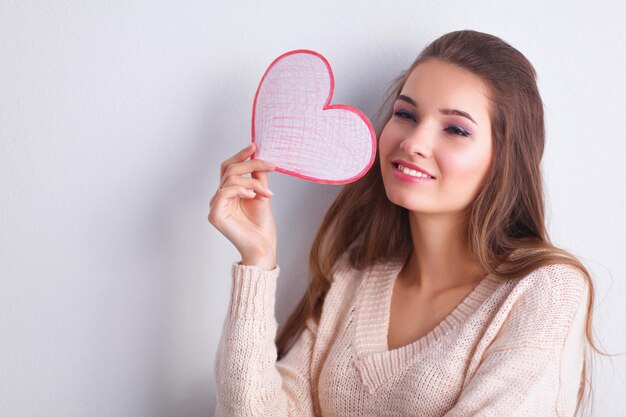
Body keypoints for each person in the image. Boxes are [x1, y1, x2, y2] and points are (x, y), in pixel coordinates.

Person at [208, 29, 600, 416]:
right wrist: (257, 262)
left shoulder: (545, 290)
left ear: (504, 160)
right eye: (406, 114)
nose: (413, 141)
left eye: (456, 129)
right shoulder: (353, 277)